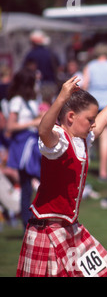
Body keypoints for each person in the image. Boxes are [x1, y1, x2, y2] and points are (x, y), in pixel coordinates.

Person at [16, 76, 107, 277]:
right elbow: (43, 130)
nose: (93, 124)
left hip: (70, 226)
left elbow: (98, 127)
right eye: (89, 119)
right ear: (71, 117)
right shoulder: (57, 140)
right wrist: (61, 97)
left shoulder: (81, 139)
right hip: (47, 228)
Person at [5, 68, 42, 230]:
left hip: (32, 144)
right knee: (27, 186)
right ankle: (28, 224)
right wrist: (32, 123)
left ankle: (34, 221)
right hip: (24, 147)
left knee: (30, 185)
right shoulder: (17, 101)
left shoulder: (31, 100)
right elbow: (10, 126)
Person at [83, 42, 107, 182]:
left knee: (87, 138)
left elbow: (85, 85)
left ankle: (82, 170)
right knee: (106, 138)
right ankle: (103, 172)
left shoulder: (90, 66)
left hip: (92, 104)